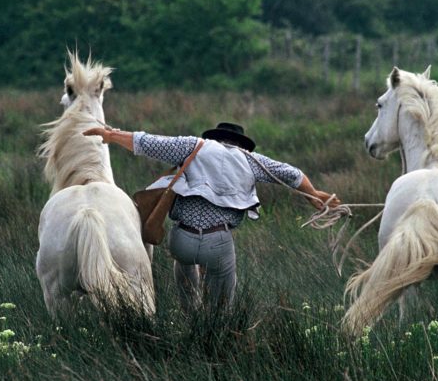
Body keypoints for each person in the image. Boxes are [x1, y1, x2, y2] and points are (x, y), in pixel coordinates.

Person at [82, 122, 340, 313]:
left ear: (215, 138)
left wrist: (110, 135)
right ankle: (212, 331)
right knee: (220, 308)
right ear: (240, 144)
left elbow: (147, 142)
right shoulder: (251, 160)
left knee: (184, 265)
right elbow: (293, 174)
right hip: (218, 241)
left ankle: (189, 314)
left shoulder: (194, 146)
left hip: (181, 238)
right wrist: (314, 195)